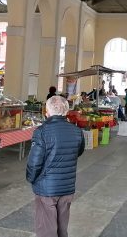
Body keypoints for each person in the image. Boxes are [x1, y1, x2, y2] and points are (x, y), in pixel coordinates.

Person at [27, 96, 85, 237]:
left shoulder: (41, 132)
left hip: (46, 188)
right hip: (67, 187)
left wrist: (31, 178)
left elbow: (34, 163)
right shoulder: (77, 131)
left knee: (46, 230)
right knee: (62, 228)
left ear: (47, 112)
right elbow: (78, 152)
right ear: (66, 111)